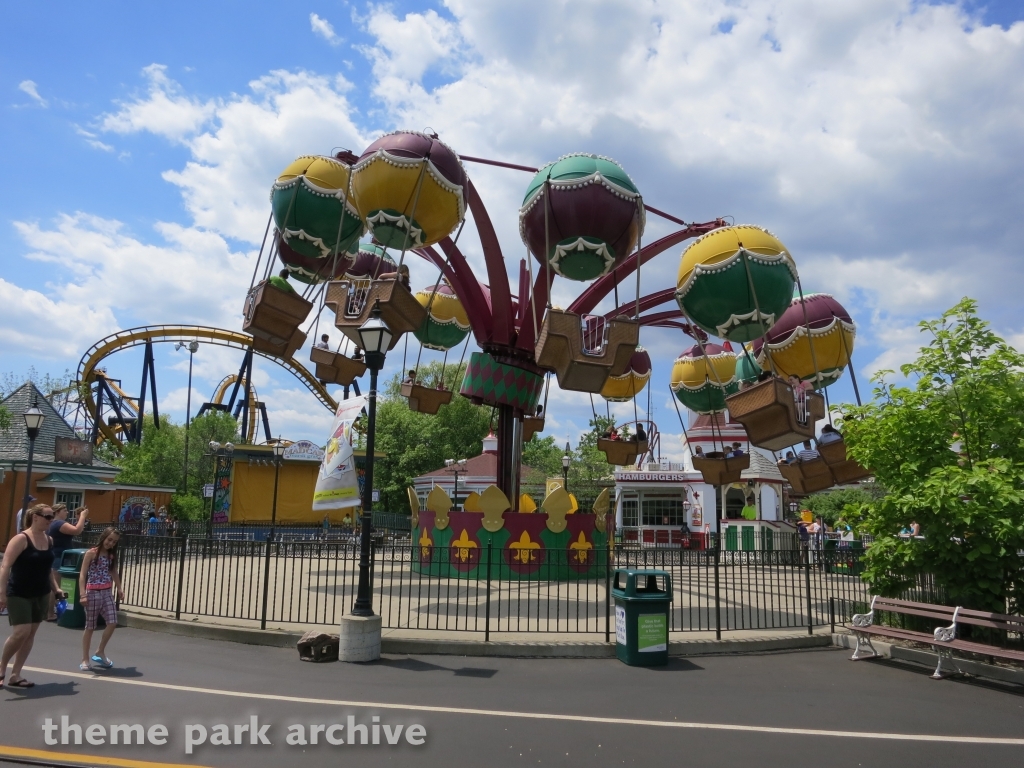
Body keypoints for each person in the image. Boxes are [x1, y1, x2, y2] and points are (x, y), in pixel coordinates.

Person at [0, 504, 64, 688]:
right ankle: (2, 668)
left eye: (52, 517)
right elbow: (5, 566)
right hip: (19, 592)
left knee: (30, 634)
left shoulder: (49, 540)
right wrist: (2, 593)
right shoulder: (21, 539)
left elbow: (47, 570)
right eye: (47, 516)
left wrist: (56, 589)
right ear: (35, 517)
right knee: (21, 632)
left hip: (41, 593)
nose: (50, 520)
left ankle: (16, 675)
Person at [79, 528, 124, 671]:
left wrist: (119, 587)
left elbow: (113, 571)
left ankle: (100, 650)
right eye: (109, 539)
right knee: (90, 627)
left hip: (106, 592)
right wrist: (82, 594)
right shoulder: (91, 553)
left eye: (114, 542)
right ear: (103, 537)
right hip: (92, 592)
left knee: (112, 622)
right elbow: (82, 574)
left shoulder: (111, 555)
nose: (111, 543)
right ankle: (85, 658)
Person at [46, 503, 89, 620]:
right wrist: (82, 517)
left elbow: (73, 529)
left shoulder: (55, 524)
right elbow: (77, 530)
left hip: (60, 557)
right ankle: (49, 613)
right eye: (64, 510)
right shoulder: (58, 523)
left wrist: (79, 518)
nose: (67, 512)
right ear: (57, 512)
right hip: (59, 557)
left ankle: (53, 609)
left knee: (56, 586)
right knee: (55, 586)